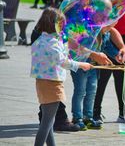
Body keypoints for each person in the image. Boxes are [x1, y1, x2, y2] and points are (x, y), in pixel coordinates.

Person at [31, 8, 92, 145]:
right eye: (60, 25)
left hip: (42, 82)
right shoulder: (52, 43)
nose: (62, 28)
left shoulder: (41, 39)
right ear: (53, 24)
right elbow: (62, 61)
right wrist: (81, 64)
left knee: (49, 121)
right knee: (46, 123)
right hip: (52, 83)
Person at [70, 0, 125, 130]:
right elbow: (73, 45)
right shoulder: (83, 25)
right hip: (80, 65)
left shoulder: (102, 31)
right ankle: (77, 117)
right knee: (80, 91)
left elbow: (106, 46)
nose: (104, 20)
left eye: (106, 17)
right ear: (94, 11)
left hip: (94, 66)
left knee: (91, 91)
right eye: (102, 16)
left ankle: (88, 117)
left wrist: (116, 55)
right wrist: (93, 54)